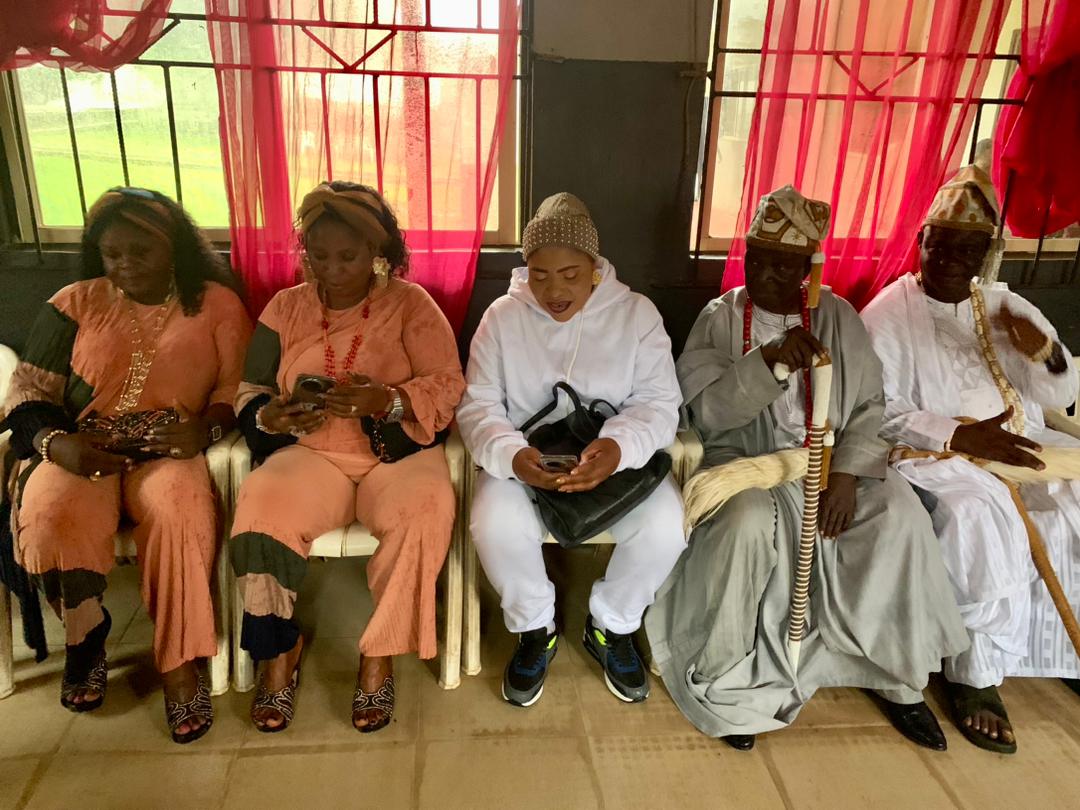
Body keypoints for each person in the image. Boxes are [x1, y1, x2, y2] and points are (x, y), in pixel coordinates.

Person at [646, 186, 969, 751]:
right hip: (747, 467)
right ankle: (724, 672)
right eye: (759, 258)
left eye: (785, 263)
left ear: (806, 267)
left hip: (833, 466)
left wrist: (846, 474)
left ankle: (897, 680)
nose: (770, 273)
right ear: (745, 256)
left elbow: (870, 407)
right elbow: (707, 412)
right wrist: (766, 363)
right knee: (746, 525)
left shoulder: (838, 317)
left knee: (899, 515)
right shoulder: (721, 318)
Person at [1, 187, 250, 743]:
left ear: (175, 248)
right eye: (113, 253)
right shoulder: (75, 301)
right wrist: (53, 445)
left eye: (142, 250)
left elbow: (237, 386)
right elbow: (26, 392)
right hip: (82, 447)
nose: (126, 264)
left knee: (181, 512)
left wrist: (203, 428)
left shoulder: (215, 303)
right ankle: (85, 636)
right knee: (49, 516)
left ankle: (180, 663)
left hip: (170, 450)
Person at [230, 181, 465, 733]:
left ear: (377, 253)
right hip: (313, 452)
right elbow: (250, 389)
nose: (331, 269)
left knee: (425, 514)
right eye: (318, 255)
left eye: (348, 256)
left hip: (395, 453)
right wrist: (271, 418)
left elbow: (449, 383)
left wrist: (388, 398)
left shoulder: (412, 304)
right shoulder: (283, 308)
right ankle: (278, 654)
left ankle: (378, 656)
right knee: (261, 512)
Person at [862, 164, 1080, 754]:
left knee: (1072, 506)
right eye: (942, 244)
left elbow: (1062, 397)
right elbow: (874, 411)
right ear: (922, 243)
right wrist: (961, 440)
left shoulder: (1007, 304)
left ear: (989, 253)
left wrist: (1047, 358)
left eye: (969, 248)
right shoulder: (889, 312)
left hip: (1024, 444)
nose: (952, 259)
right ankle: (975, 676)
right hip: (934, 453)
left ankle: (1065, 645)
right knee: (977, 518)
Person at [457, 192, 686, 707]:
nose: (554, 289)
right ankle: (536, 627)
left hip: (612, 463)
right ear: (525, 268)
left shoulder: (636, 315)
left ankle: (611, 625)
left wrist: (617, 445)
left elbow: (659, 403)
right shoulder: (501, 318)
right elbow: (477, 408)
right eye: (539, 274)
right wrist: (513, 456)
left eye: (570, 273)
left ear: (595, 268)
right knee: (492, 523)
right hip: (524, 462)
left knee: (667, 525)